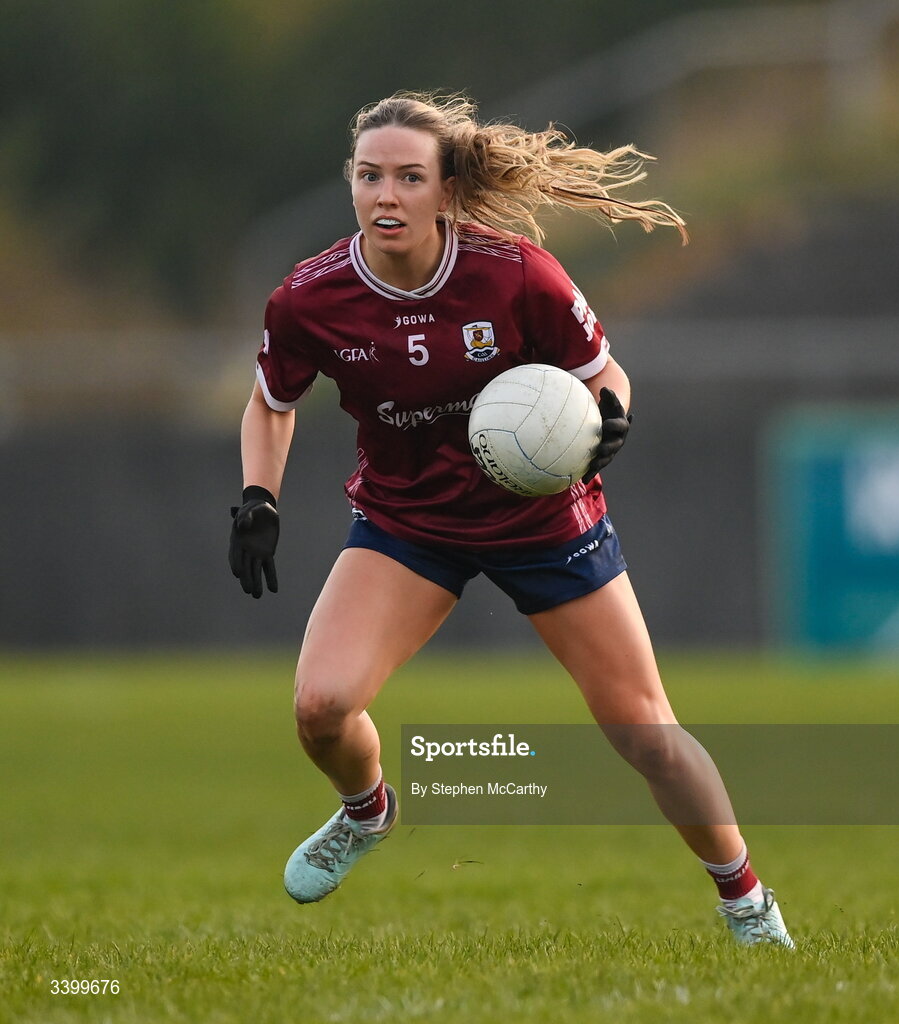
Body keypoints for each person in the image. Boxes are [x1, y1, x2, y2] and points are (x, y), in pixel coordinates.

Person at [229, 91, 793, 947]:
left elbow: (606, 376)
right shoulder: (310, 299)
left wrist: (610, 422)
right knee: (321, 707)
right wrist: (259, 501)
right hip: (408, 525)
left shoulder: (517, 273)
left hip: (545, 524)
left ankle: (748, 903)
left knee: (646, 732)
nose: (386, 195)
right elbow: (272, 403)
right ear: (350, 183)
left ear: (446, 191)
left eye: (408, 177)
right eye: (369, 175)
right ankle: (367, 811)